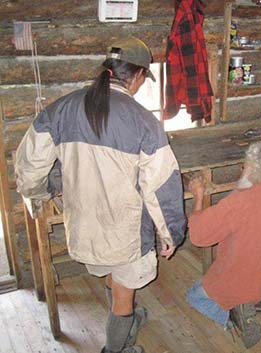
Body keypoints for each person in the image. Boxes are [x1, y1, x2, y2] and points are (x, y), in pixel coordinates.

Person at [15, 37, 187, 353]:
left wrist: (39, 194)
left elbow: (28, 168)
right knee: (124, 292)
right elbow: (162, 188)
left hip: (83, 226)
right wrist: (170, 233)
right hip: (126, 232)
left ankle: (125, 317)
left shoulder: (61, 108)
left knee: (114, 277)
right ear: (136, 76)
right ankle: (117, 346)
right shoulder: (143, 120)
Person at [186, 141, 261, 348]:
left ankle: (234, 318)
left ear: (250, 169)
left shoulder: (239, 203)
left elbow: (199, 236)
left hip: (241, 283)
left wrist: (198, 195)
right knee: (239, 276)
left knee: (194, 295)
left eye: (245, 165)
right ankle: (253, 302)